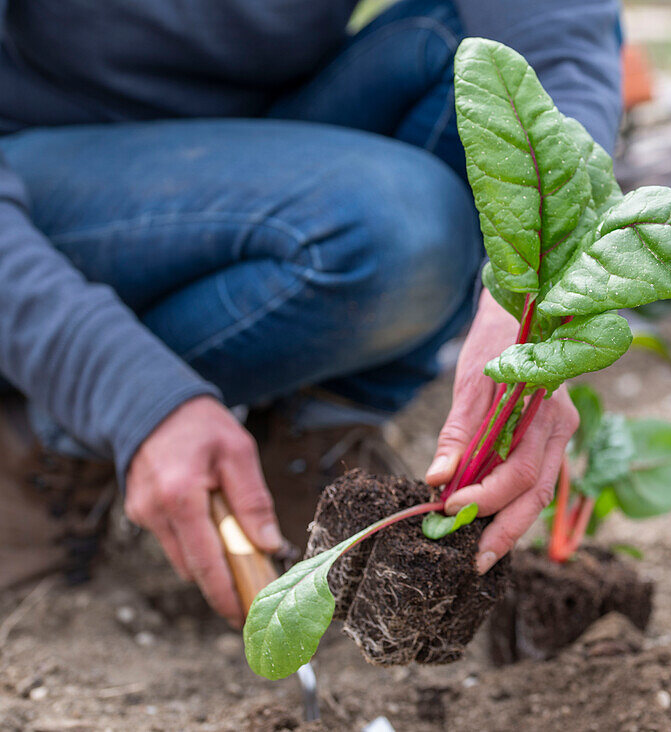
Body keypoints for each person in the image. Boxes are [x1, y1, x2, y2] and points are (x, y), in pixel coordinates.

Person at [0, 0, 621, 626]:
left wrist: (538, 302)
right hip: (38, 187)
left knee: (465, 56)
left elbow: (558, 35)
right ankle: (47, 428)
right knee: (397, 222)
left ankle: (309, 440)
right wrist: (127, 392)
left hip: (271, 143)